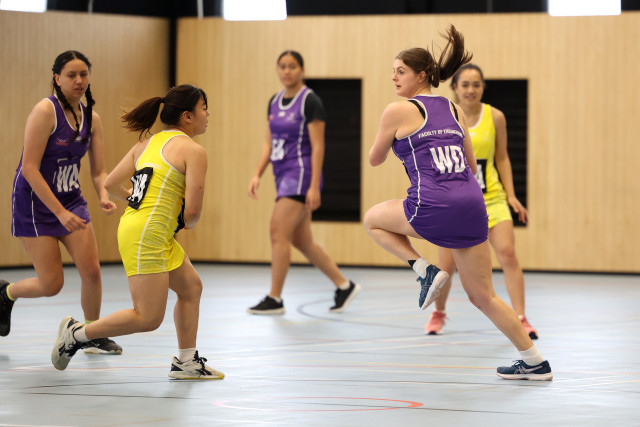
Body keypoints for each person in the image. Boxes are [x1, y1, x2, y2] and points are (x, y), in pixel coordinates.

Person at [363, 26, 552, 380]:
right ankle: (535, 361)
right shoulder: (454, 109)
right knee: (483, 295)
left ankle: (424, 269)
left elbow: (374, 159)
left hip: (434, 203)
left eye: (400, 71)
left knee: (373, 219)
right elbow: (470, 165)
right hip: (473, 204)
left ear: (421, 75)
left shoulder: (397, 110)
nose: (393, 77)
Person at [50, 84, 224, 380]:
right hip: (150, 234)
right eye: (204, 108)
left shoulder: (145, 145)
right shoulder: (194, 151)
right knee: (147, 317)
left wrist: (135, 197)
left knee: (191, 288)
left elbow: (110, 185)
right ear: (187, 116)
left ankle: (186, 362)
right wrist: (186, 222)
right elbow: (192, 214)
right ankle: (77, 334)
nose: (208, 114)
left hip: (140, 227)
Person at [0, 51, 122, 355]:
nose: (79, 80)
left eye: (84, 74)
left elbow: (99, 171)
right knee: (51, 284)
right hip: (35, 203)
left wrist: (103, 195)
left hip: (71, 200)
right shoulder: (45, 111)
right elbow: (29, 168)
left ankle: (91, 333)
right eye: (71, 75)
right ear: (57, 78)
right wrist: (59, 212)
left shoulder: (92, 119)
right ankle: (5, 293)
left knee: (92, 272)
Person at [425, 64, 538, 338]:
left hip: (491, 198)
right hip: (456, 203)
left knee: (508, 254)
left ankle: (521, 317)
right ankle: (439, 312)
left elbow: (502, 157)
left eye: (476, 84)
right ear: (455, 87)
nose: (471, 90)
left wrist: (511, 195)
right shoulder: (444, 116)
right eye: (465, 84)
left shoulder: (495, 117)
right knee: (446, 266)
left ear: (483, 87)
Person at [246, 50, 361, 315]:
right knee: (302, 240)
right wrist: (257, 174)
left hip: (300, 175)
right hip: (281, 175)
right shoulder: (274, 101)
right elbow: (268, 143)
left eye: (292, 66)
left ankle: (275, 298)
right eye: (282, 66)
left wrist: (313, 185)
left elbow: (318, 146)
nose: (287, 71)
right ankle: (344, 286)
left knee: (278, 232)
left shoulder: (310, 101)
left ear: (302, 70)